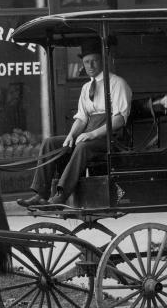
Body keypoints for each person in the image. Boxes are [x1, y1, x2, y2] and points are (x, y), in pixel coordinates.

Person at [20, 39, 131, 208]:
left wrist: (92, 134)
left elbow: (119, 119)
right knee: (51, 143)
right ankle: (40, 194)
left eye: (94, 60)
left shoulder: (117, 84)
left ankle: (59, 196)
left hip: (111, 138)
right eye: (86, 62)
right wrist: (72, 135)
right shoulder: (86, 88)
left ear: (103, 60)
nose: (90, 65)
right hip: (89, 135)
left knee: (82, 146)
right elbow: (82, 118)